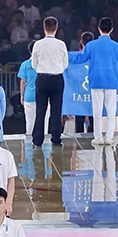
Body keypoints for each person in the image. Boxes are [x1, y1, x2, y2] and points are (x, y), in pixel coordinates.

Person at [70, 17, 118, 145]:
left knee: (96, 111)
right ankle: (109, 137)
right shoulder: (116, 46)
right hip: (111, 81)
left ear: (98, 29)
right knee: (111, 111)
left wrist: (65, 55)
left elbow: (80, 58)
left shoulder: (91, 45)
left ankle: (98, 137)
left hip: (96, 81)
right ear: (112, 29)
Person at [31, 16, 68, 147]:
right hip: (57, 78)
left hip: (42, 78)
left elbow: (34, 63)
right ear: (56, 28)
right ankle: (56, 138)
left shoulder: (38, 44)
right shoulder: (61, 44)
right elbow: (65, 63)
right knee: (56, 110)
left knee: (40, 110)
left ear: (44, 28)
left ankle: (37, 140)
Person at [18, 40, 49, 137]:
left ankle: (29, 141)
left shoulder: (25, 64)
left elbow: (23, 82)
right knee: (44, 121)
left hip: (29, 96)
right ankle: (44, 141)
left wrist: (22, 96)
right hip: (44, 96)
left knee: (30, 121)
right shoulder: (46, 63)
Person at [73, 31, 95, 134]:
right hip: (93, 90)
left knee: (79, 119)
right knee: (93, 117)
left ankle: (79, 138)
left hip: (79, 92)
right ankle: (94, 136)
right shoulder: (97, 56)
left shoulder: (75, 57)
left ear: (81, 42)